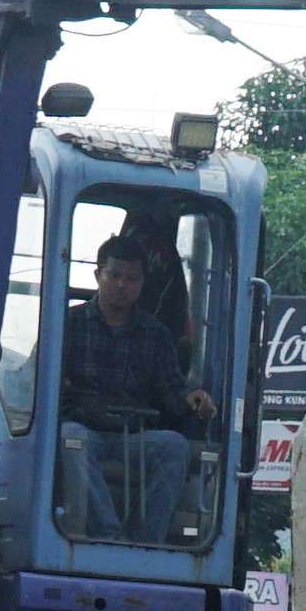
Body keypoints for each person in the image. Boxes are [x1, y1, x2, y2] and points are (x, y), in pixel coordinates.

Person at [57, 229, 211, 544]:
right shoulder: (66, 324)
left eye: (132, 279)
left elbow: (173, 393)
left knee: (174, 446)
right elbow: (40, 379)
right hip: (86, 429)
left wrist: (192, 399)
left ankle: (145, 540)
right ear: (98, 274)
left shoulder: (156, 335)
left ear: (142, 284)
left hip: (133, 435)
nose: (121, 286)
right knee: (71, 438)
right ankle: (110, 535)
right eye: (114, 276)